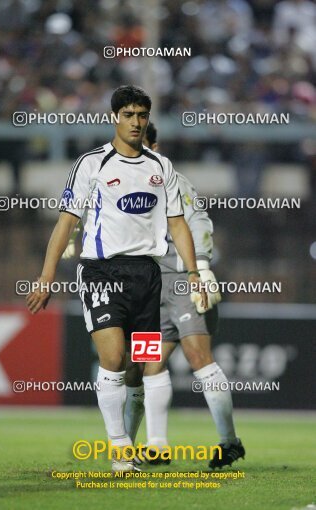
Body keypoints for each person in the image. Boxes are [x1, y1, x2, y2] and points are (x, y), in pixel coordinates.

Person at [26, 85, 207, 473]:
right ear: (115, 117)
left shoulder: (160, 168)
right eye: (129, 115)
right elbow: (65, 224)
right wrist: (45, 277)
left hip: (147, 275)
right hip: (101, 272)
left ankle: (135, 440)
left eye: (142, 116)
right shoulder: (92, 164)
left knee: (139, 364)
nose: (136, 123)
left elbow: (178, 224)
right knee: (112, 357)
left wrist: (194, 273)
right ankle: (119, 448)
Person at [123, 122, 245, 470]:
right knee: (147, 364)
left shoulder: (172, 181)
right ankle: (151, 447)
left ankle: (229, 442)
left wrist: (202, 268)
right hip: (148, 287)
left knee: (197, 356)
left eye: (139, 144)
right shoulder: (121, 184)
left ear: (154, 146)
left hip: (182, 279)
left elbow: (199, 221)